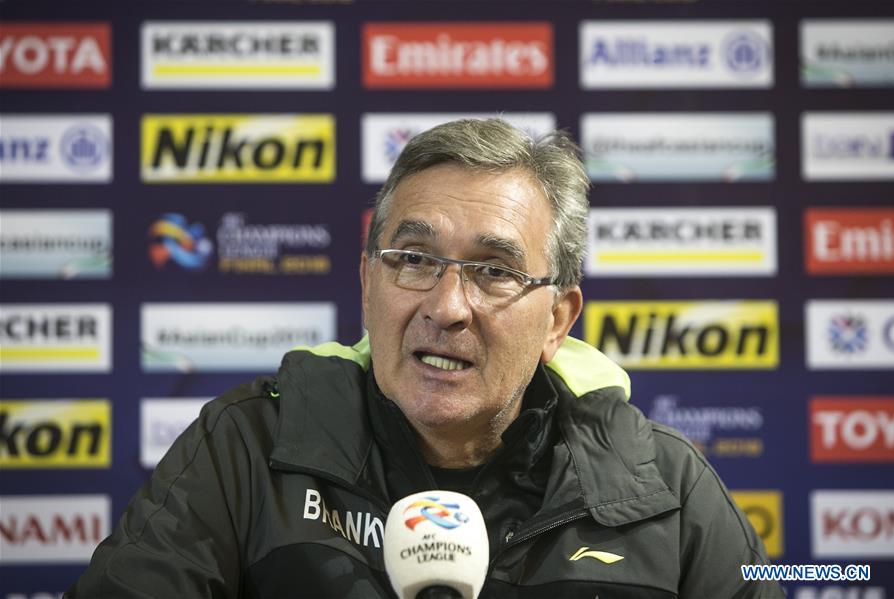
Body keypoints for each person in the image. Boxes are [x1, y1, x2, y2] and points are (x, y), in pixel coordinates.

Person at [69, 119, 783, 598]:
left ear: (556, 319)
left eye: (494, 271)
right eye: (412, 259)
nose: (446, 305)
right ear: (367, 282)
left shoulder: (667, 485)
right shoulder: (247, 448)